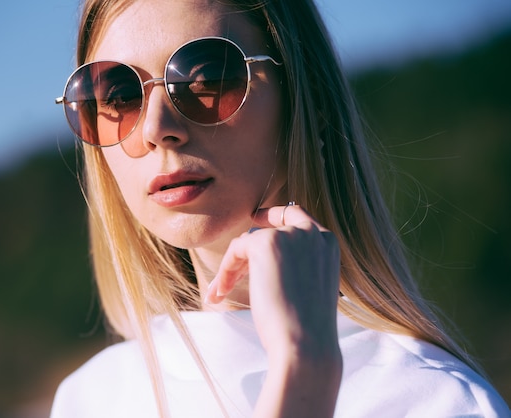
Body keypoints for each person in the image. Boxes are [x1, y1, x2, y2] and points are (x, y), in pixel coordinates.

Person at [50, 0, 509, 416]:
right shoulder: (92, 397)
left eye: (207, 77)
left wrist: (303, 368)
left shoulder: (432, 401)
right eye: (116, 96)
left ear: (304, 96)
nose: (156, 128)